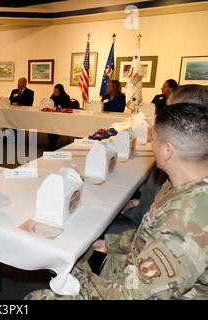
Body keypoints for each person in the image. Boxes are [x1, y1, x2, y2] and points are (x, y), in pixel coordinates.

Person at [26, 102, 208, 300]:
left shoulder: (186, 223)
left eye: (153, 139)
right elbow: (151, 234)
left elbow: (131, 295)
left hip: (137, 291)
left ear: (167, 151)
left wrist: (78, 279)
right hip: (142, 269)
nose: (150, 143)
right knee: (74, 252)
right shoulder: (181, 185)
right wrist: (110, 243)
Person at [106, 84, 208, 235]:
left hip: (143, 228)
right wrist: (140, 203)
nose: (164, 113)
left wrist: (134, 210)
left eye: (170, 108)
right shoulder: (193, 161)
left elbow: (153, 228)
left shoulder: (182, 171)